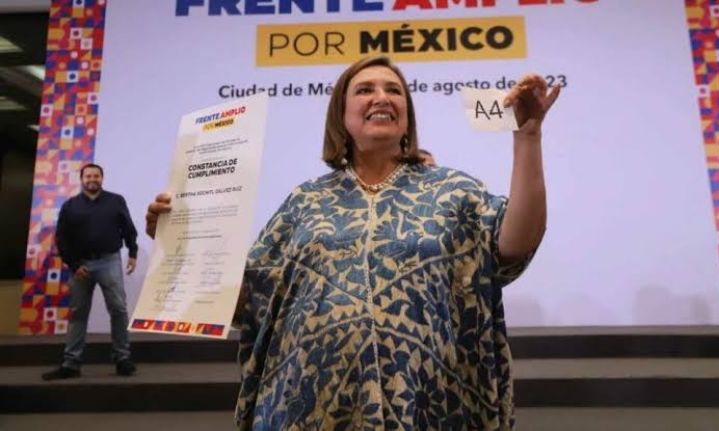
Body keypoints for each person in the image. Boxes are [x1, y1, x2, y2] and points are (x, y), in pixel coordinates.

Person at [146, 55, 558, 430]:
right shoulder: (305, 201)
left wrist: (528, 136)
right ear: (341, 117)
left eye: (393, 90)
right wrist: (180, 241)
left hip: (426, 402)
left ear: (407, 115)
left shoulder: (453, 190)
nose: (381, 97)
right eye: (364, 90)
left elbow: (513, 244)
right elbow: (252, 296)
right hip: (309, 406)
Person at [42, 163, 139, 380]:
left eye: (96, 176)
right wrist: (74, 265)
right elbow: (62, 239)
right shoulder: (70, 206)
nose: (92, 179)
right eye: (88, 176)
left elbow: (128, 228)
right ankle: (71, 364)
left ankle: (122, 359)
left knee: (118, 310)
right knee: (78, 313)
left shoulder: (116, 200)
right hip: (81, 266)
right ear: (82, 179)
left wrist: (133, 253)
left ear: (102, 178)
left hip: (109, 261)